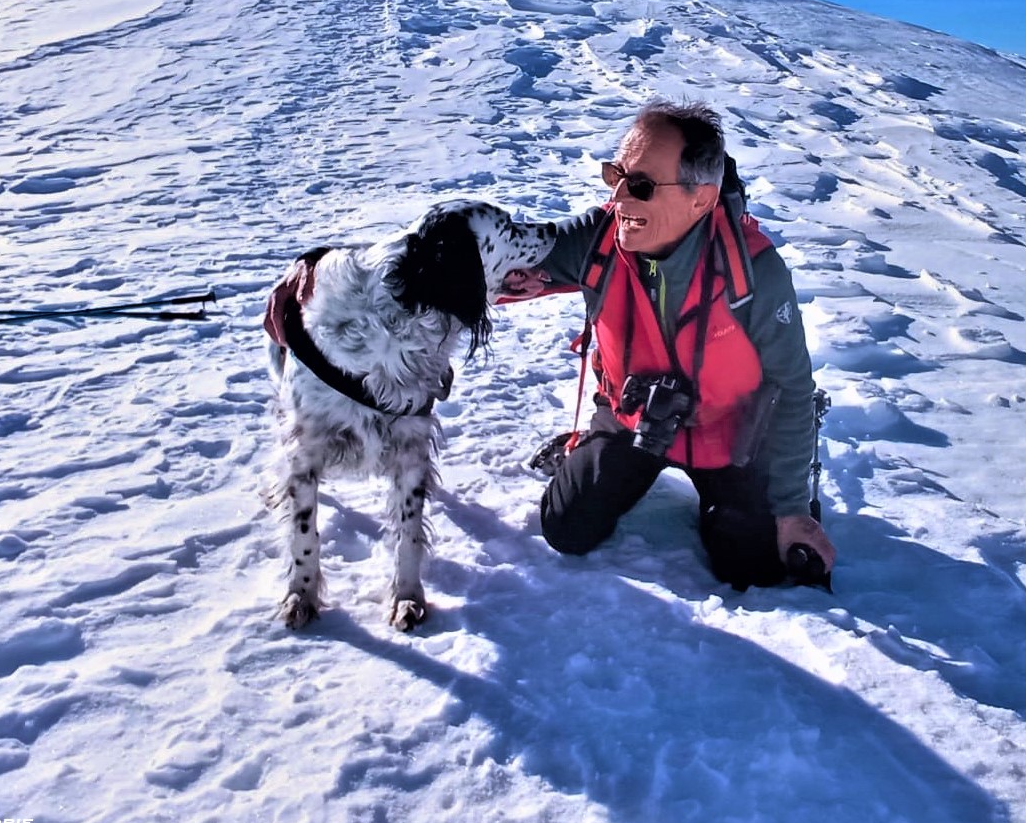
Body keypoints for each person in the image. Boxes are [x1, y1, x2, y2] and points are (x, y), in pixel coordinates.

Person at [264, 100, 835, 590]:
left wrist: (789, 509)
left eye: (638, 186)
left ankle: (746, 512)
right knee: (568, 529)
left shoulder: (754, 274)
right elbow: (461, 259)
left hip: (730, 436)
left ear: (701, 200)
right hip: (636, 422)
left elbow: (791, 388)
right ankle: (591, 455)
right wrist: (321, 267)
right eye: (615, 176)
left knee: (753, 564)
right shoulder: (600, 240)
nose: (619, 199)